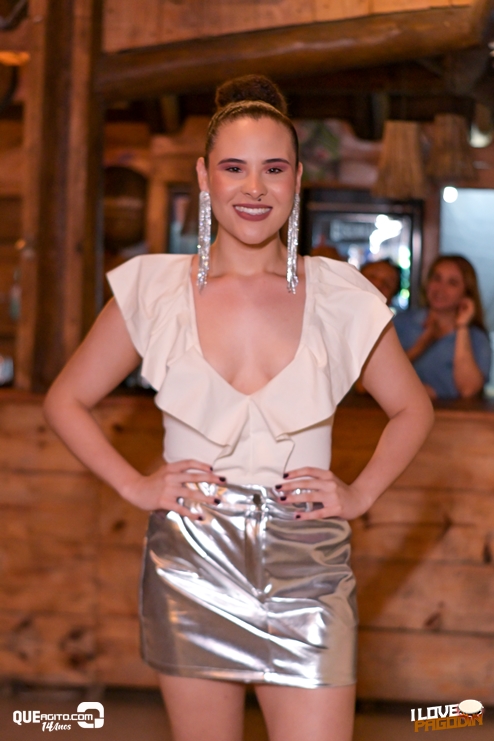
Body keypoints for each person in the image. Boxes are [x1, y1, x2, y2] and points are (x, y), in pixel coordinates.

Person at [44, 75, 433, 741]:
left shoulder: (339, 294)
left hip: (308, 563)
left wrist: (361, 492)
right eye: (234, 168)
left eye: (273, 169)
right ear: (204, 176)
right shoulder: (155, 290)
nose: (254, 188)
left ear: (297, 179)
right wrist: (135, 485)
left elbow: (413, 409)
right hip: (192, 559)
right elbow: (65, 400)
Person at [394, 255, 491, 400]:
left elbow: (468, 390)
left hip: (449, 414)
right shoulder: (401, 323)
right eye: (436, 278)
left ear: (466, 292)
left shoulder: (477, 338)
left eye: (452, 283)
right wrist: (424, 342)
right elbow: (379, 375)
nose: (440, 288)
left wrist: (462, 326)